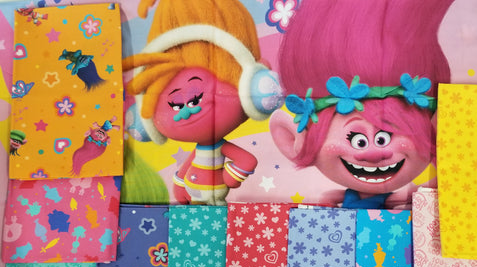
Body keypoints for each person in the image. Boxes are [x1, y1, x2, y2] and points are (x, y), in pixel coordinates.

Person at [270, 0, 453, 209]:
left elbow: (411, 197)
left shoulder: (394, 198)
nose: (374, 153)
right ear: (291, 138)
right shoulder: (343, 195)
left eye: (384, 137)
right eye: (357, 139)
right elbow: (328, 199)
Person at [123, 0, 281, 205]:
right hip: (193, 198)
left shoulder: (221, 146)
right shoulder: (199, 149)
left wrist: (231, 176)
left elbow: (247, 160)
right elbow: (188, 165)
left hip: (215, 201)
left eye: (195, 99)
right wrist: (180, 184)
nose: (186, 112)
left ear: (254, 87)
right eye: (176, 105)